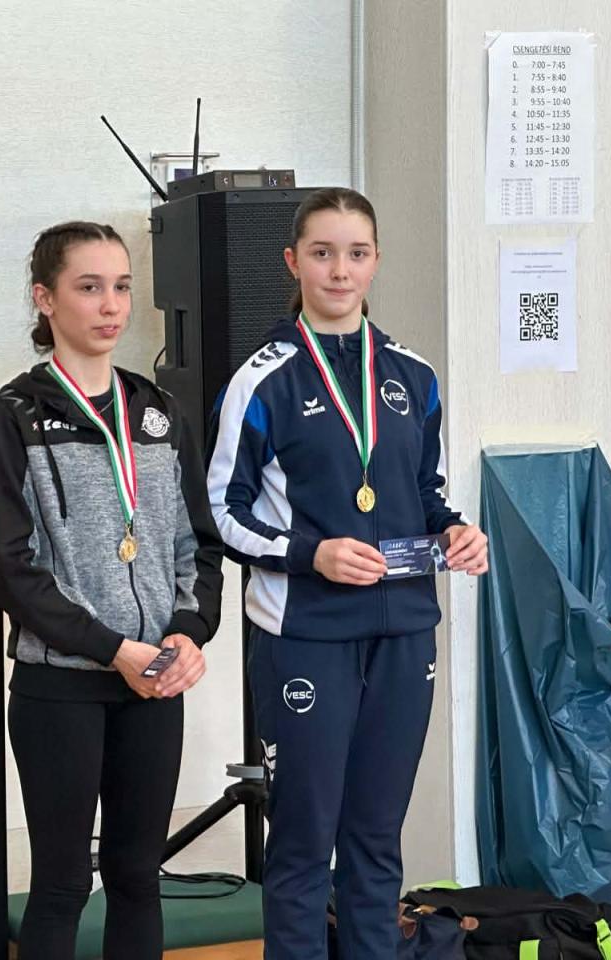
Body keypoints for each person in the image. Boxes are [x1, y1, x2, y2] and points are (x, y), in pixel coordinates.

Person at [205, 187, 489, 960]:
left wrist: (456, 532)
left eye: (356, 254)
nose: (340, 270)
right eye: (323, 254)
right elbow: (222, 511)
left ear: (376, 262)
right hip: (306, 634)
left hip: (404, 631)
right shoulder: (262, 379)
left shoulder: (413, 375)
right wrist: (311, 554)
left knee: (376, 839)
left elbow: (426, 493)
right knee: (304, 842)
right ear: (293, 262)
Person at [0, 221, 225, 959]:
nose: (111, 305)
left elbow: (198, 544)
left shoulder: (158, 411)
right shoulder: (11, 416)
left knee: (138, 875)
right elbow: (11, 569)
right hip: (62, 686)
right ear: (45, 298)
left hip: (155, 681)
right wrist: (113, 649)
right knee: (61, 883)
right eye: (89, 287)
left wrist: (187, 634)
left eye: (121, 287)